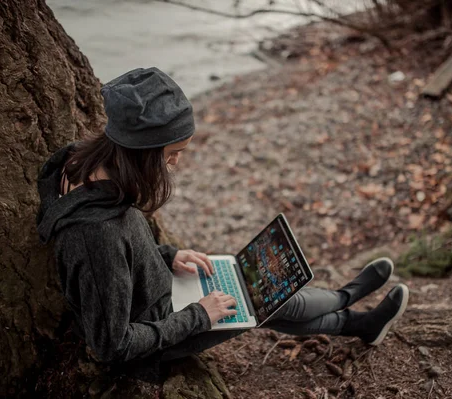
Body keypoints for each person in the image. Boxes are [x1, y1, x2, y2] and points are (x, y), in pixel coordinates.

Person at [36, 67, 409, 377]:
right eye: (173, 154)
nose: (176, 164)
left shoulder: (82, 165)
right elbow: (112, 346)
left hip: (162, 293)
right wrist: (200, 315)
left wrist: (167, 256)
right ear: (143, 152)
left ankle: (358, 319)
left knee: (260, 297)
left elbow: (122, 258)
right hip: (161, 334)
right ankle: (349, 303)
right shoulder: (94, 233)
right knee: (261, 298)